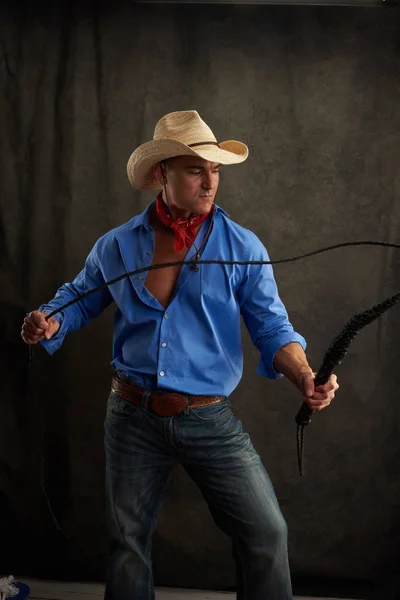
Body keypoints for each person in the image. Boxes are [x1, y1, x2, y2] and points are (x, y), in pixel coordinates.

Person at [21, 110, 339, 600]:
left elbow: (272, 327)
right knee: (127, 543)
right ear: (161, 173)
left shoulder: (244, 248)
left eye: (215, 170)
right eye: (195, 169)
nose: (210, 182)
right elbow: (80, 297)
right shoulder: (117, 245)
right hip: (130, 415)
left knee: (266, 533)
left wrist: (303, 375)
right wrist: (49, 320)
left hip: (208, 418)